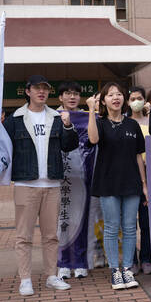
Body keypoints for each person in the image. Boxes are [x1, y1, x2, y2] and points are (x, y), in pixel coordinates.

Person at [0, 75, 79, 296]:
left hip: (52, 184)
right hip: (25, 184)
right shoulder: (15, 119)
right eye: (37, 88)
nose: (41, 92)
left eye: (45, 89)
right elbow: (0, 150)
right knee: (23, 236)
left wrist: (67, 126)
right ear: (27, 91)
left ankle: (51, 276)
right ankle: (25, 279)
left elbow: (69, 146)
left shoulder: (57, 117)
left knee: (51, 236)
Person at [86, 83, 148, 289]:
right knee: (112, 227)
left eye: (119, 94)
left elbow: (139, 155)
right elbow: (93, 139)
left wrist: (144, 184)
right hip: (107, 182)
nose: (115, 97)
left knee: (130, 227)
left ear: (124, 99)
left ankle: (128, 269)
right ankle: (115, 270)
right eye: (110, 95)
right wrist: (92, 111)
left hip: (131, 182)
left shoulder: (132, 125)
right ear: (103, 100)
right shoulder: (100, 123)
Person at [54, 81, 91, 281]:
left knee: (81, 220)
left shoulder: (87, 118)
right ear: (60, 97)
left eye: (76, 93)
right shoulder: (51, 118)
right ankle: (63, 263)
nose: (72, 97)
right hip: (59, 178)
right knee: (61, 221)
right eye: (67, 93)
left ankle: (80, 262)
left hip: (82, 178)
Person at [128, 86, 151, 275]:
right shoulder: (126, 123)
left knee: (146, 221)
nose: (136, 101)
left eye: (139, 98)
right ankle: (131, 260)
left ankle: (146, 258)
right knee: (129, 222)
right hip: (131, 175)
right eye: (133, 98)